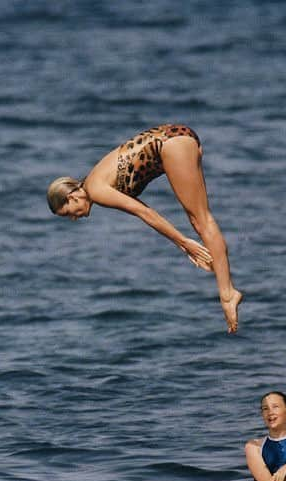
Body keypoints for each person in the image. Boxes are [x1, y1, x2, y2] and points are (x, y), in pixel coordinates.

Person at [46, 124, 242, 333]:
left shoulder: (95, 190)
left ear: (72, 196)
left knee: (202, 221)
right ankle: (227, 291)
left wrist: (184, 243)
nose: (74, 218)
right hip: (178, 138)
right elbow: (145, 209)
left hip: (170, 145)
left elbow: (145, 214)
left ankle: (228, 294)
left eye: (68, 213)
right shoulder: (94, 181)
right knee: (199, 221)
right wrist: (181, 242)